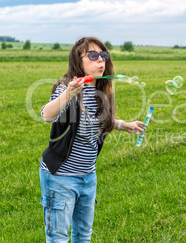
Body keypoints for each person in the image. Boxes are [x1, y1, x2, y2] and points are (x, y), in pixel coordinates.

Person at [39, 37, 144, 242]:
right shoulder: (67, 88)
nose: (100, 61)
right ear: (79, 60)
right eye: (93, 56)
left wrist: (124, 125)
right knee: (58, 237)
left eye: (103, 56)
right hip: (61, 177)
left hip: (88, 176)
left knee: (83, 235)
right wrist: (69, 93)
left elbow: (97, 121)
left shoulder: (100, 91)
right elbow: (47, 115)